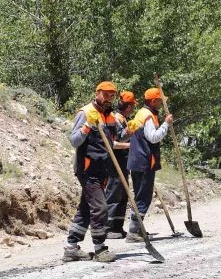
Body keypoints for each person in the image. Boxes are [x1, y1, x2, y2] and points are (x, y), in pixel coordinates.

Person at [63, 81, 121, 263]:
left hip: (103, 169)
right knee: (100, 207)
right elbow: (74, 140)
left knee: (86, 208)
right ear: (97, 93)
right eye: (106, 94)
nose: (109, 98)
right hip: (87, 169)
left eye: (112, 95)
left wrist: (132, 129)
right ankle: (100, 248)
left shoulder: (110, 116)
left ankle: (71, 248)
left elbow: (115, 141)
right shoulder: (86, 112)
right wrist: (88, 125)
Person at [125, 87, 173, 242]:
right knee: (143, 197)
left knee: (141, 195)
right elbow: (153, 137)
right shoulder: (148, 116)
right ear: (153, 101)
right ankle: (133, 232)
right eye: (160, 101)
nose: (161, 103)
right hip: (144, 161)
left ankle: (137, 230)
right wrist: (166, 124)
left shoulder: (142, 112)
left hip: (138, 160)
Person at [105, 91, 137, 238]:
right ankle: (109, 227)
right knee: (114, 193)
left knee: (123, 194)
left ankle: (117, 227)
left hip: (124, 162)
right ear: (129, 107)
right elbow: (115, 142)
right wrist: (131, 144)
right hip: (114, 162)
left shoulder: (123, 118)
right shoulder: (115, 119)